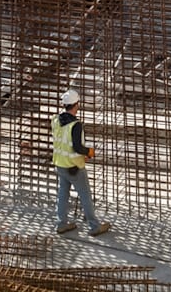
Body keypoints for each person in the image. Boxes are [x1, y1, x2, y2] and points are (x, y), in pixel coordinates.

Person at [51, 89, 110, 237]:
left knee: (63, 194)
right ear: (76, 104)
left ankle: (61, 223)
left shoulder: (56, 120)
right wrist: (88, 151)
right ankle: (94, 226)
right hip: (74, 167)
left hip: (60, 163)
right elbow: (77, 147)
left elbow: (63, 142)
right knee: (85, 195)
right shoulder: (75, 125)